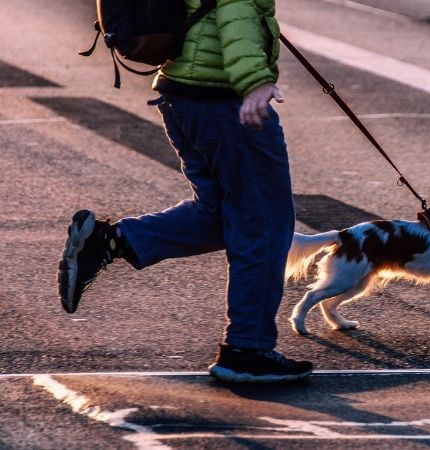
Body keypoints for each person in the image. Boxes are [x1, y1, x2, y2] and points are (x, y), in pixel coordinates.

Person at [57, 0, 313, 383]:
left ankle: (109, 240)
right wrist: (254, 81)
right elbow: (236, 10)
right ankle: (247, 350)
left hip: (183, 94)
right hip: (222, 99)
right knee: (262, 225)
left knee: (218, 214)